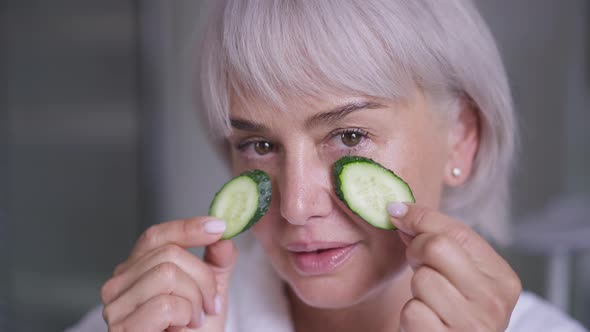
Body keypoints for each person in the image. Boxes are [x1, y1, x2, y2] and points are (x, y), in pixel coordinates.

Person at [68, 0, 588, 331]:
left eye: (350, 136)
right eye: (258, 145)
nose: (295, 207)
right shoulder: (139, 324)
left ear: (462, 138)